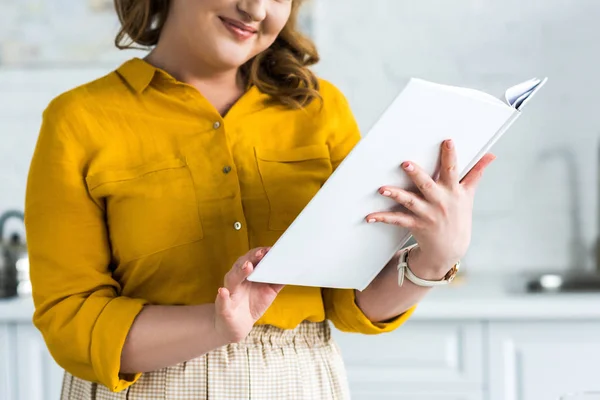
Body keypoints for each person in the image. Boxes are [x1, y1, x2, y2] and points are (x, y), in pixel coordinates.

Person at [24, 0, 495, 399]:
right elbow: (72, 319)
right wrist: (214, 326)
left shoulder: (320, 109)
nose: (256, 9)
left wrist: (436, 258)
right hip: (149, 386)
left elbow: (351, 300)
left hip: (299, 380)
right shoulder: (78, 121)